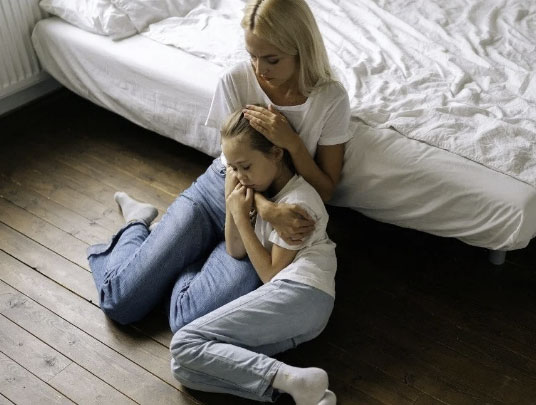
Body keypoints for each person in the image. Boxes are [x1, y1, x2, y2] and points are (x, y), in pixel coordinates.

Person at [86, 0, 351, 333]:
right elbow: (232, 167)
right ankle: (137, 223)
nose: (260, 70)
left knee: (187, 318)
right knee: (120, 303)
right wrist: (264, 208)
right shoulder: (236, 79)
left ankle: (185, 256)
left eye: (271, 59)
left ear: (301, 49)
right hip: (220, 190)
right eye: (252, 56)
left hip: (265, 226)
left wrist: (292, 144)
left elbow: (325, 190)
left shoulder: (330, 98)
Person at [170, 110, 336, 404]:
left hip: (303, 291)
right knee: (185, 369)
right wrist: (233, 203)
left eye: (245, 166)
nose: (239, 176)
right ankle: (304, 392)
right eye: (233, 168)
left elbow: (270, 274)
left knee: (184, 342)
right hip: (304, 310)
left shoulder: (298, 203)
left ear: (276, 153)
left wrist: (241, 217)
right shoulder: (259, 192)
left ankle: (296, 381)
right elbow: (234, 250)